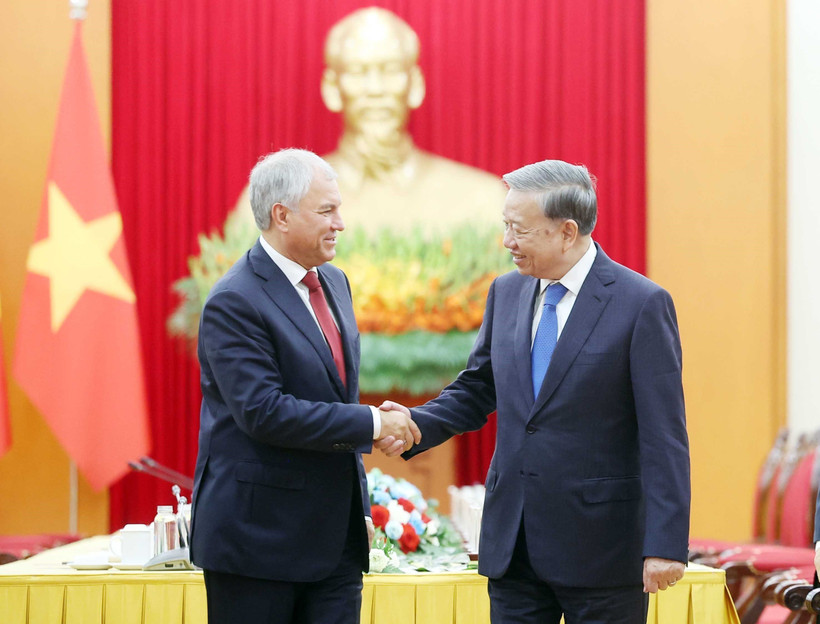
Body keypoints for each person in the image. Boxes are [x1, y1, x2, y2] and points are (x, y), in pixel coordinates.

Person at [378, 159, 691, 623]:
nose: (506, 241)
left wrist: (665, 545)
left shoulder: (640, 304)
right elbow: (478, 388)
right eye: (506, 225)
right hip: (515, 546)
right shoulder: (507, 293)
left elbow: (664, 434)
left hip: (602, 551)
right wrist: (414, 425)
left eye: (518, 229)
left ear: (566, 231)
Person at [189, 148, 420, 624]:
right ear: (282, 215)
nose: (340, 222)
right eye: (326, 211)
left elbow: (334, 395)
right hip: (258, 544)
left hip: (334, 543)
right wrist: (375, 422)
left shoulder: (334, 282)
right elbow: (265, 412)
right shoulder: (234, 300)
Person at [232, 7, 506, 235]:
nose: (375, 89)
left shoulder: (482, 202)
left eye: (390, 70)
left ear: (415, 85)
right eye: (358, 72)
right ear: (331, 89)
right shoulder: (274, 206)